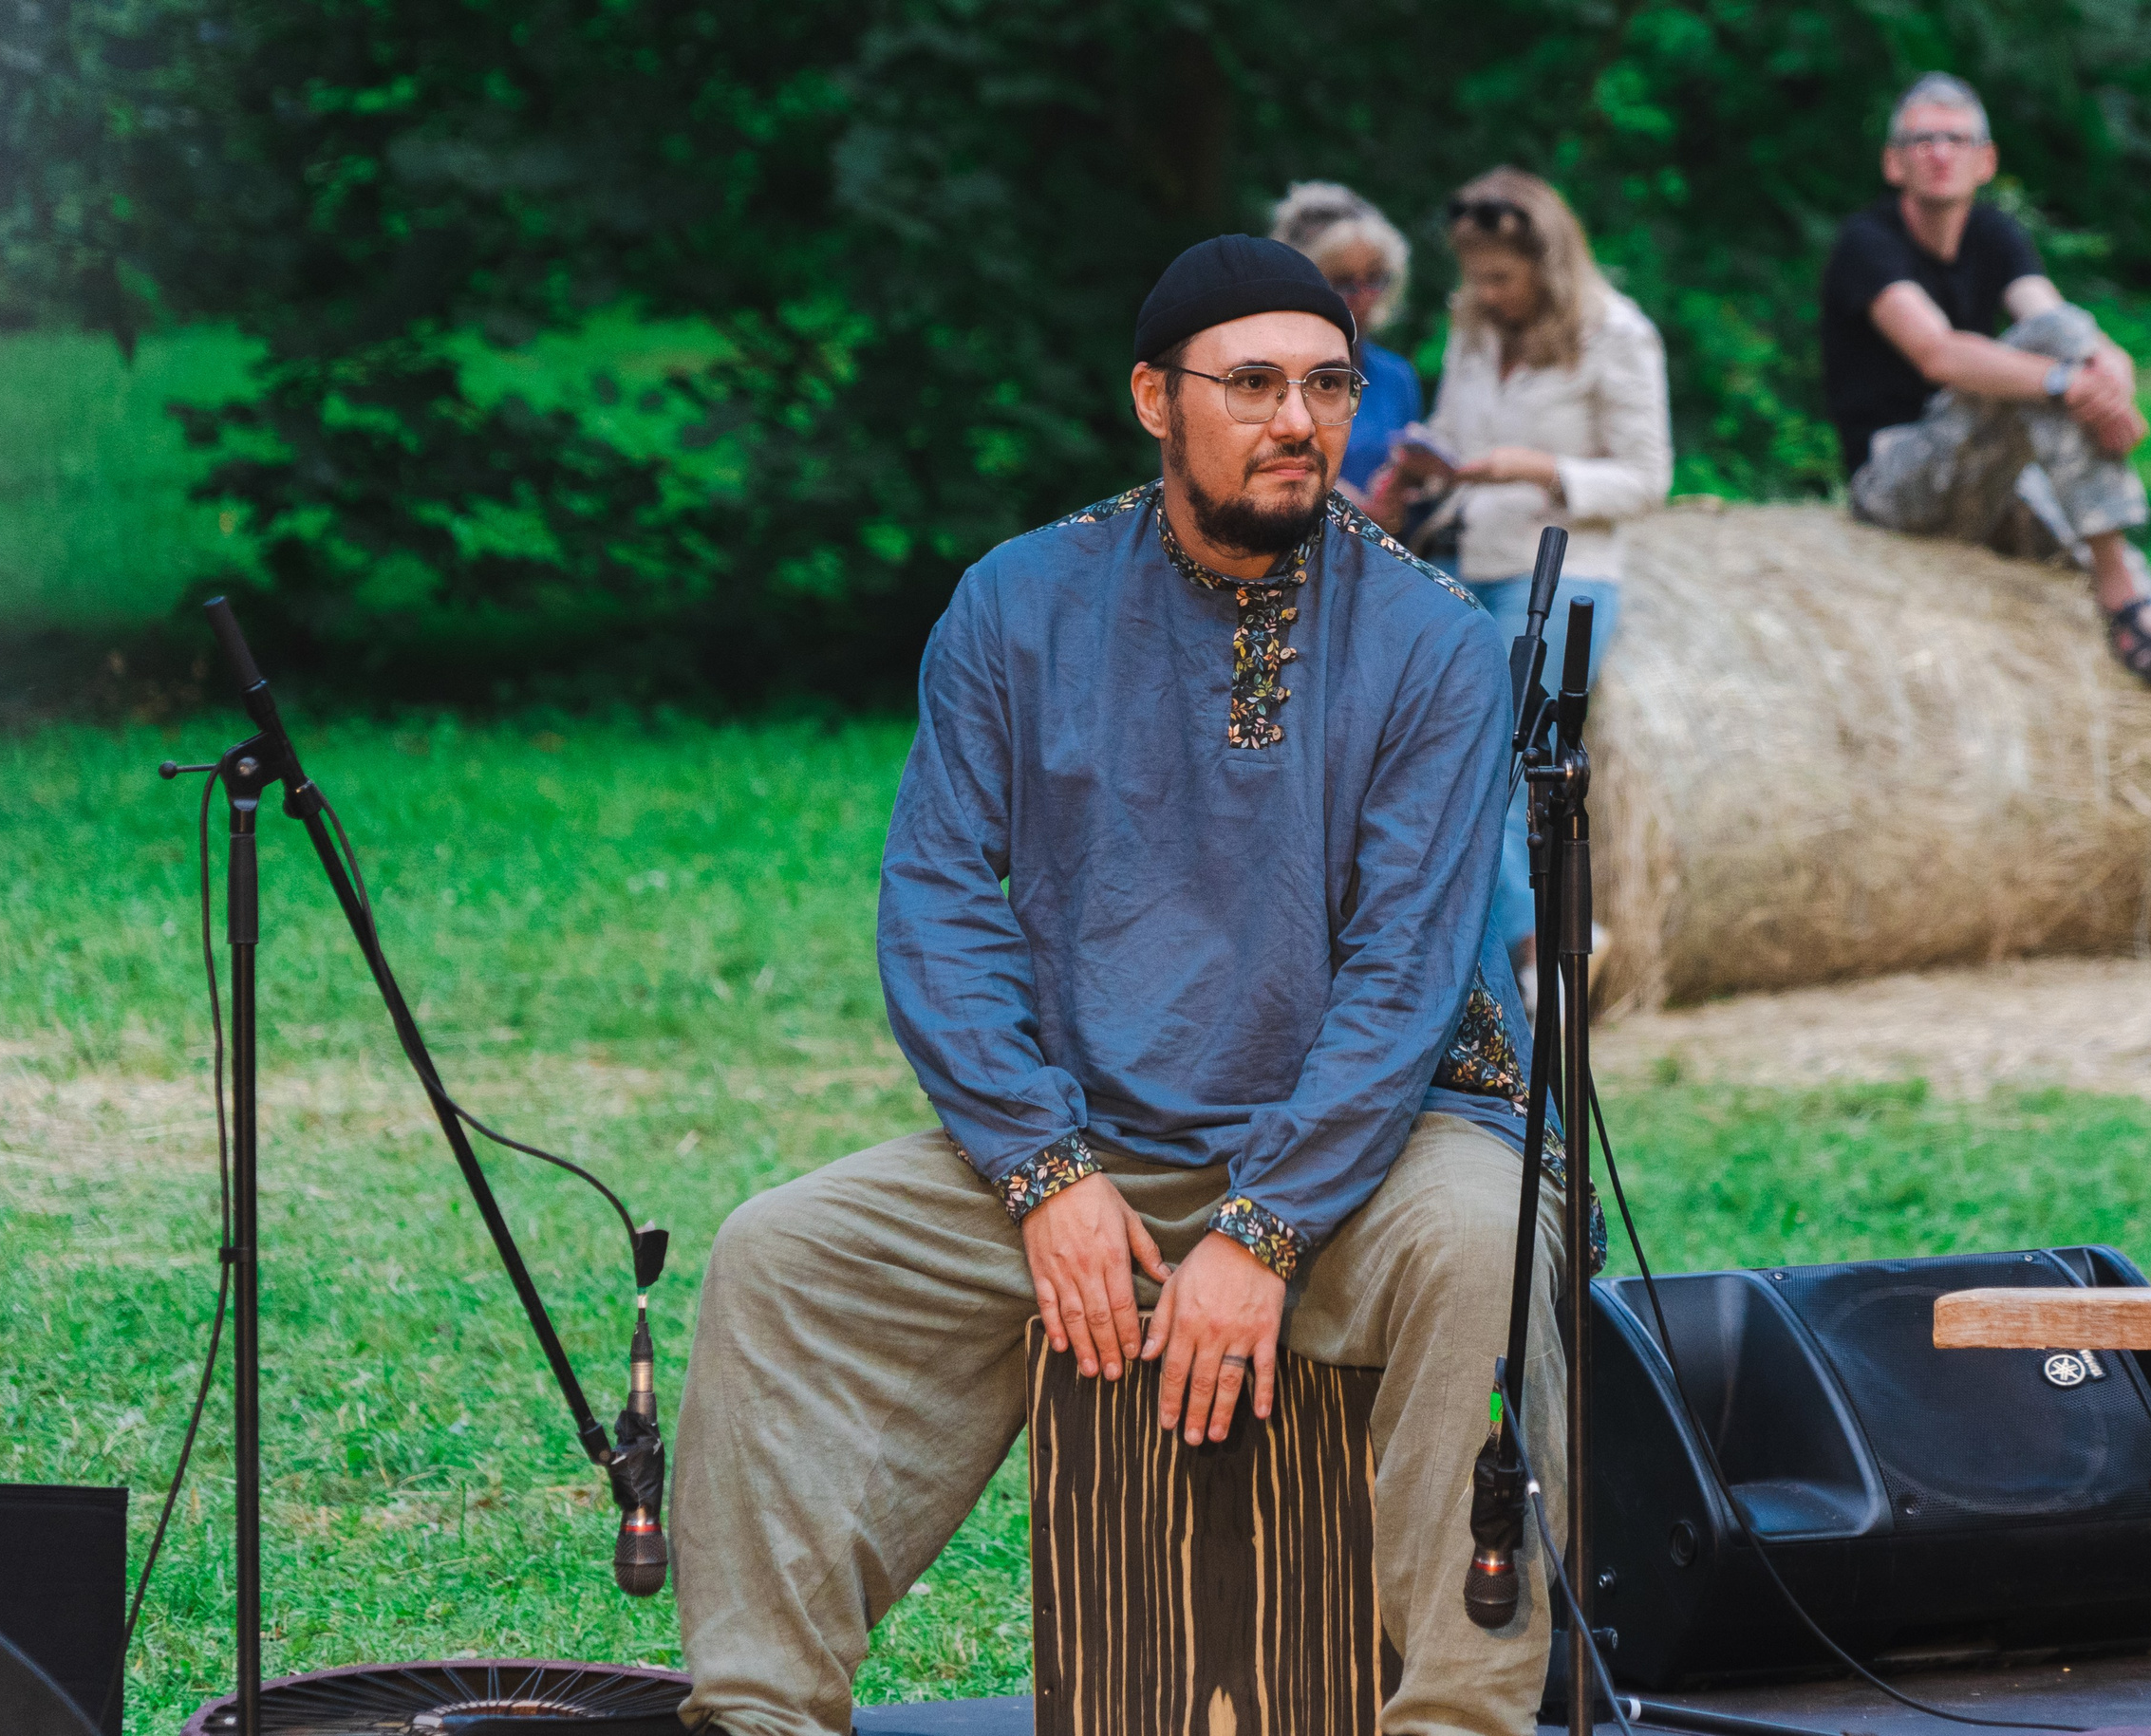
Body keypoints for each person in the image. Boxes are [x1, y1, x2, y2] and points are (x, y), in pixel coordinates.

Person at [669, 234, 1594, 1736]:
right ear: (1155, 398)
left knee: (1485, 1251)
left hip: (1379, 1150)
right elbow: (939, 913)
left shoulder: (1431, 638)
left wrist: (1268, 1225)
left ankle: (1461, 1722)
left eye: (1326, 385)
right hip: (1086, 1141)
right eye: (1253, 385)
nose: (1297, 420)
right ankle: (762, 1713)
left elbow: (1404, 978)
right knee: (781, 1258)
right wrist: (1042, 1173)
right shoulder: (1017, 605)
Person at [1371, 166, 1671, 999]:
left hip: (1565, 571)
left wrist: (1538, 469)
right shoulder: (1473, 329)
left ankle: (1541, 953)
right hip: (1471, 561)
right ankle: (1514, 960)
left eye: (1502, 276)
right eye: (1476, 275)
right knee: (1430, 752)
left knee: (1493, 759)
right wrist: (1432, 460)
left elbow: (1648, 478)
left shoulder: (1618, 335)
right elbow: (1462, 442)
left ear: (1549, 264)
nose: (1487, 291)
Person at [1821, 72, 2151, 683]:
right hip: (1895, 482)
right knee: (2047, 368)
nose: (1939, 152)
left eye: (1956, 140)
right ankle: (2120, 596)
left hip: (1989, 473)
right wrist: (2069, 382)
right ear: (1893, 164)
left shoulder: (1996, 235)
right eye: (1921, 140)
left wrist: (2111, 370)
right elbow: (1940, 354)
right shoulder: (1867, 244)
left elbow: (2054, 319)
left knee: (2064, 341)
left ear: (1986, 160)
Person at [1270, 180, 1424, 499]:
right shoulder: (1261, 370)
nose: (1363, 297)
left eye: (1374, 279)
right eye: (1343, 282)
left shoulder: (1396, 377)